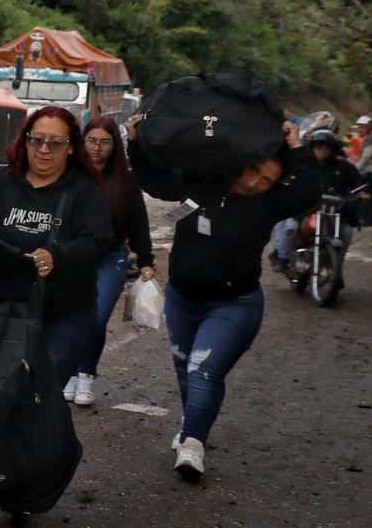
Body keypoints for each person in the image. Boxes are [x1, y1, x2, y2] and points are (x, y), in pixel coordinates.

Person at [126, 113, 319, 482]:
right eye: (253, 172)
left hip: (235, 304)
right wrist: (135, 141)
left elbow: (310, 189)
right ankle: (192, 425)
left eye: (267, 180)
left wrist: (296, 147)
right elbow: (153, 181)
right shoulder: (201, 183)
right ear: (240, 164)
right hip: (182, 299)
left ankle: (193, 443)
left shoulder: (269, 204)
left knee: (204, 369)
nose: (256, 182)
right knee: (186, 369)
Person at [0, 107, 114, 385]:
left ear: (71, 148)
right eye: (36, 140)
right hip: (6, 305)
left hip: (64, 312)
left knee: (38, 387)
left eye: (55, 143)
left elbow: (97, 241)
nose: (44, 149)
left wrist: (56, 255)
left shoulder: (85, 191)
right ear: (25, 141)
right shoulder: (3, 180)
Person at [66, 115, 156, 407]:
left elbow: (139, 223)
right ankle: (68, 372)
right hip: (72, 257)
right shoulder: (69, 174)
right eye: (92, 140)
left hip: (110, 258)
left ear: (114, 146)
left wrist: (145, 260)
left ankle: (86, 373)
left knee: (96, 316)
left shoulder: (125, 182)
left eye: (105, 142)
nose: (97, 148)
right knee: (70, 315)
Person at [272, 129, 366, 271]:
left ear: (333, 150)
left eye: (327, 148)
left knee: (347, 232)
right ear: (312, 148)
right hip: (304, 209)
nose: (322, 151)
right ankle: (282, 257)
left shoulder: (343, 166)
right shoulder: (302, 164)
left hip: (335, 211)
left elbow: (357, 181)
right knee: (290, 227)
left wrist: (361, 192)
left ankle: (337, 270)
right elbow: (286, 176)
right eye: (319, 148)